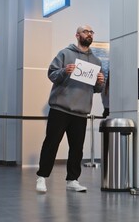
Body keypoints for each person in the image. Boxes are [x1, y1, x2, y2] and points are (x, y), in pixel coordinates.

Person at [36, 25, 105, 193]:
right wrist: (64, 71)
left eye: (91, 32)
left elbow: (96, 89)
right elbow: (52, 74)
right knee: (51, 144)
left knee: (77, 148)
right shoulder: (65, 54)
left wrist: (100, 81)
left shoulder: (96, 62)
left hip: (80, 111)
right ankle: (42, 177)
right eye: (85, 31)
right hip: (60, 108)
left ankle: (72, 180)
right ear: (77, 35)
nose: (89, 34)